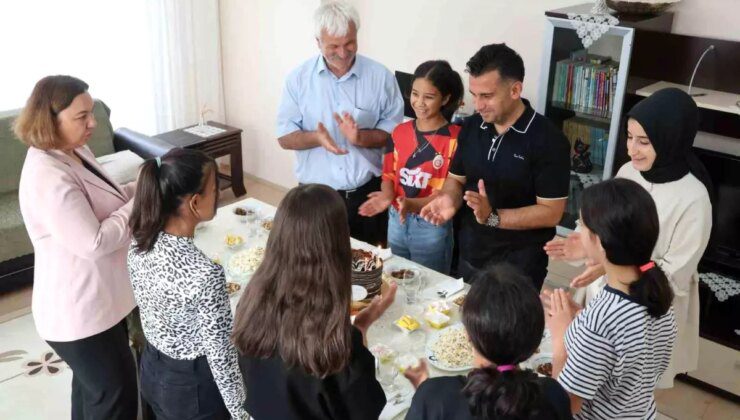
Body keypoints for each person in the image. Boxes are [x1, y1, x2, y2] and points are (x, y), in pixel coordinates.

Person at [543, 87, 712, 388]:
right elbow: (609, 226)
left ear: (670, 139)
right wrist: (585, 247)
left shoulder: (694, 197)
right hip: (608, 290)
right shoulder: (627, 171)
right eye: (629, 137)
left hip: (652, 303)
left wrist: (612, 267)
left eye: (644, 142)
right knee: (591, 370)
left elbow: (675, 272)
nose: (632, 149)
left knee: (631, 382)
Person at [15, 75, 138, 419]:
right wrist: (140, 201)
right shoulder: (47, 175)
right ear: (49, 120)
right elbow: (94, 241)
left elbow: (106, 200)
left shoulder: (74, 151)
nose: (93, 124)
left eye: (91, 113)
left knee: (92, 392)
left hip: (99, 302)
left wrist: (136, 186)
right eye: (81, 117)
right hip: (79, 313)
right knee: (115, 397)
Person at [232, 184, 398, 420]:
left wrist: (361, 325)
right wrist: (358, 334)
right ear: (338, 245)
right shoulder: (337, 341)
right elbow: (365, 410)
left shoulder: (251, 306)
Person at [420, 43, 570, 289]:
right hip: (469, 255)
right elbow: (456, 180)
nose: (477, 105)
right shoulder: (470, 127)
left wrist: (493, 217)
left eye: (487, 96)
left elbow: (551, 212)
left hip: (517, 268)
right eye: (474, 94)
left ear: (515, 90)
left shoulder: (549, 141)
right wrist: (448, 199)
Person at [127, 148, 248, 419]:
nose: (218, 194)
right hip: (192, 389)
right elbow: (221, 355)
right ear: (194, 203)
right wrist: (240, 411)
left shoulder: (139, 241)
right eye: (215, 189)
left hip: (151, 368)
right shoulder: (205, 274)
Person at [276, 1, 404, 245]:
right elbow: (284, 136)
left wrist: (360, 138)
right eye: (333, 46)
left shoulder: (381, 77)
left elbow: (395, 136)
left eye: (349, 43)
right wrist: (316, 137)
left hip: (367, 193)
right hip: (316, 197)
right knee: (317, 266)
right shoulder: (297, 80)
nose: (343, 53)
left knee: (367, 266)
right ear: (318, 42)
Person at [548, 178, 677, 419]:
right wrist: (580, 319)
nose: (579, 233)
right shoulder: (658, 291)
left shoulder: (601, 320)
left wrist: (561, 337)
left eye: (583, 226)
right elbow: (637, 363)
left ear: (598, 240)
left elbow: (564, 405)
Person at [403, 264, 571, 420]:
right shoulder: (554, 395)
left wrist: (426, 396)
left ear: (467, 335)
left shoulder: (435, 396)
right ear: (535, 343)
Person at [358, 60, 463, 273]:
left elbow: (449, 192)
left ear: (445, 98)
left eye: (429, 97)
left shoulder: (455, 139)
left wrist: (412, 204)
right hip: (397, 219)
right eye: (415, 94)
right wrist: (388, 197)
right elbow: (388, 175)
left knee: (429, 284)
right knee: (397, 276)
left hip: (431, 223)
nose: (419, 103)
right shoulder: (398, 132)